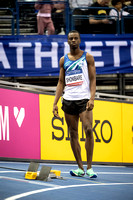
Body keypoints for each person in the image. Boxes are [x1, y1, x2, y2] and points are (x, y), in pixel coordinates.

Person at [52, 30, 97, 178]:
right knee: (73, 134)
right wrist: (55, 103)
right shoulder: (63, 60)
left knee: (88, 129)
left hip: (83, 99)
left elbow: (93, 79)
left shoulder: (87, 57)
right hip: (68, 99)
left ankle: (90, 167)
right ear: (67, 41)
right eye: (70, 38)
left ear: (79, 40)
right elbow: (60, 82)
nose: (73, 41)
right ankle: (80, 168)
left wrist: (91, 98)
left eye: (76, 38)